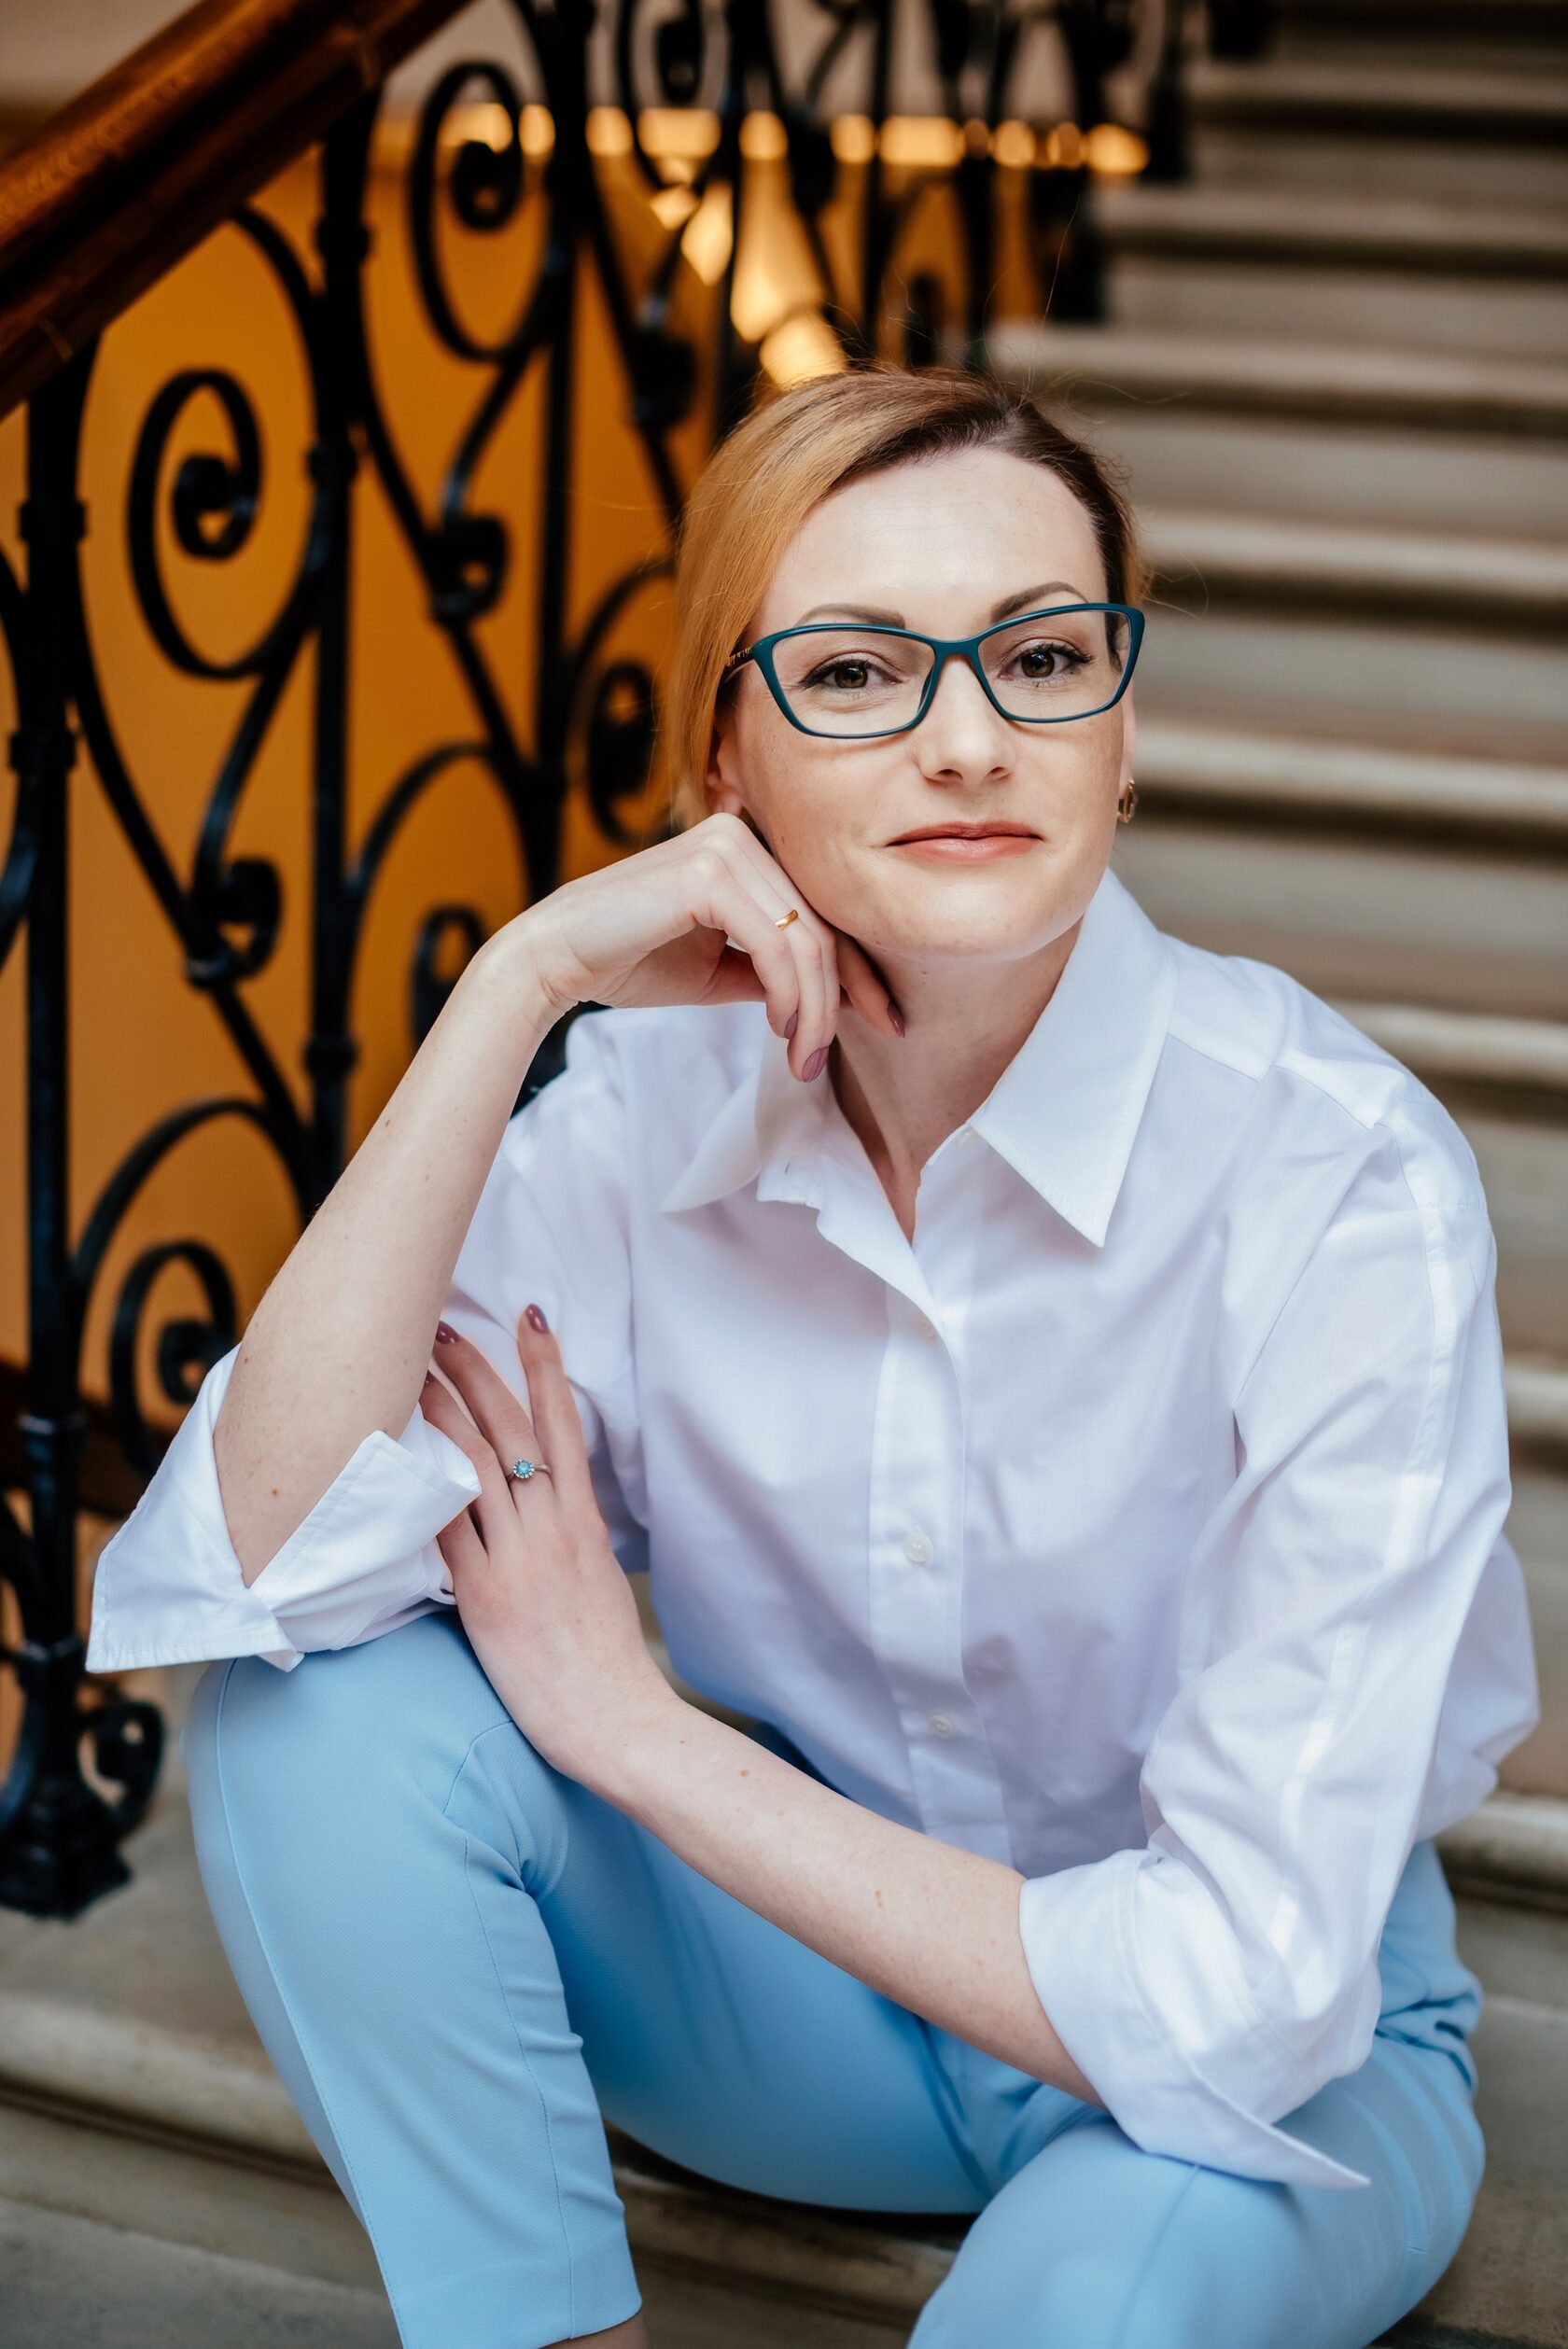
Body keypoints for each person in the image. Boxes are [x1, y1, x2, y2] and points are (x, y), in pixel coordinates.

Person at [87, 361, 1538, 2349]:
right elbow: (260, 1566)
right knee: (306, 1719)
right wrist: (518, 982)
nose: (968, 739)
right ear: (728, 760)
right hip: (815, 2010)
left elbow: (1239, 1993)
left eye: (1043, 656)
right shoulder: (636, 1115)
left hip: (1265, 2083)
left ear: (1122, 739)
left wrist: (633, 1727)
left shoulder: (1339, 1176)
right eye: (855, 672)